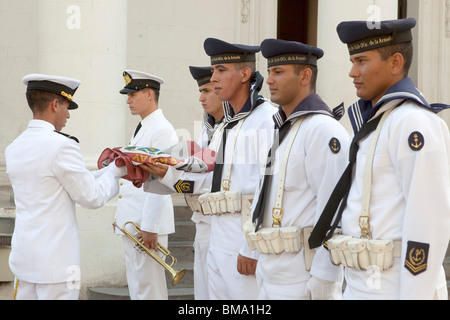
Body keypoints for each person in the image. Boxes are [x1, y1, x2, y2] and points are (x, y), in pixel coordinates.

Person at [309, 18, 450, 300]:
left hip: (395, 287)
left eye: (361, 61)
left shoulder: (413, 123)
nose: (351, 72)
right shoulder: (375, 122)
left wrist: (414, 296)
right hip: (361, 284)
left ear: (395, 63)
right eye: (352, 61)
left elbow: (428, 222)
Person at [141, 38, 277, 300]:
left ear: (245, 74)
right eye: (214, 71)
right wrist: (164, 173)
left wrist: (252, 247)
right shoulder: (227, 125)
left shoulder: (268, 119)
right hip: (216, 234)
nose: (213, 78)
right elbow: (212, 182)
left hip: (242, 238)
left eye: (221, 70)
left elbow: (270, 187)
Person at [5, 74, 126, 300]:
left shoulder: (14, 147)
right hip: (57, 265)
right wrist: (117, 171)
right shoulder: (62, 145)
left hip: (25, 258)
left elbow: (58, 183)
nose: (68, 115)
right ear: (54, 104)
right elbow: (91, 197)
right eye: (67, 106)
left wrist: (103, 171)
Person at [248, 39, 350, 300]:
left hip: (302, 278)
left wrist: (325, 280)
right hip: (270, 273)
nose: (269, 80)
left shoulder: (323, 130)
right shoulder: (281, 128)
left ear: (305, 76)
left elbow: (335, 211)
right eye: (269, 72)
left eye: (278, 72)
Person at [114, 70, 178, 300]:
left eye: (132, 94)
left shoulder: (161, 129)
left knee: (149, 289)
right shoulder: (143, 126)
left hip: (146, 224)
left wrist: (150, 225)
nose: (128, 101)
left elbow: (161, 180)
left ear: (149, 94)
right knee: (139, 286)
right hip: (135, 220)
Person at [187, 66, 224, 300]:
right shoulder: (209, 128)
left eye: (207, 91)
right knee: (202, 293)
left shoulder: (234, 128)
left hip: (221, 223)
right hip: (201, 219)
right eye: (200, 91)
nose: (201, 98)